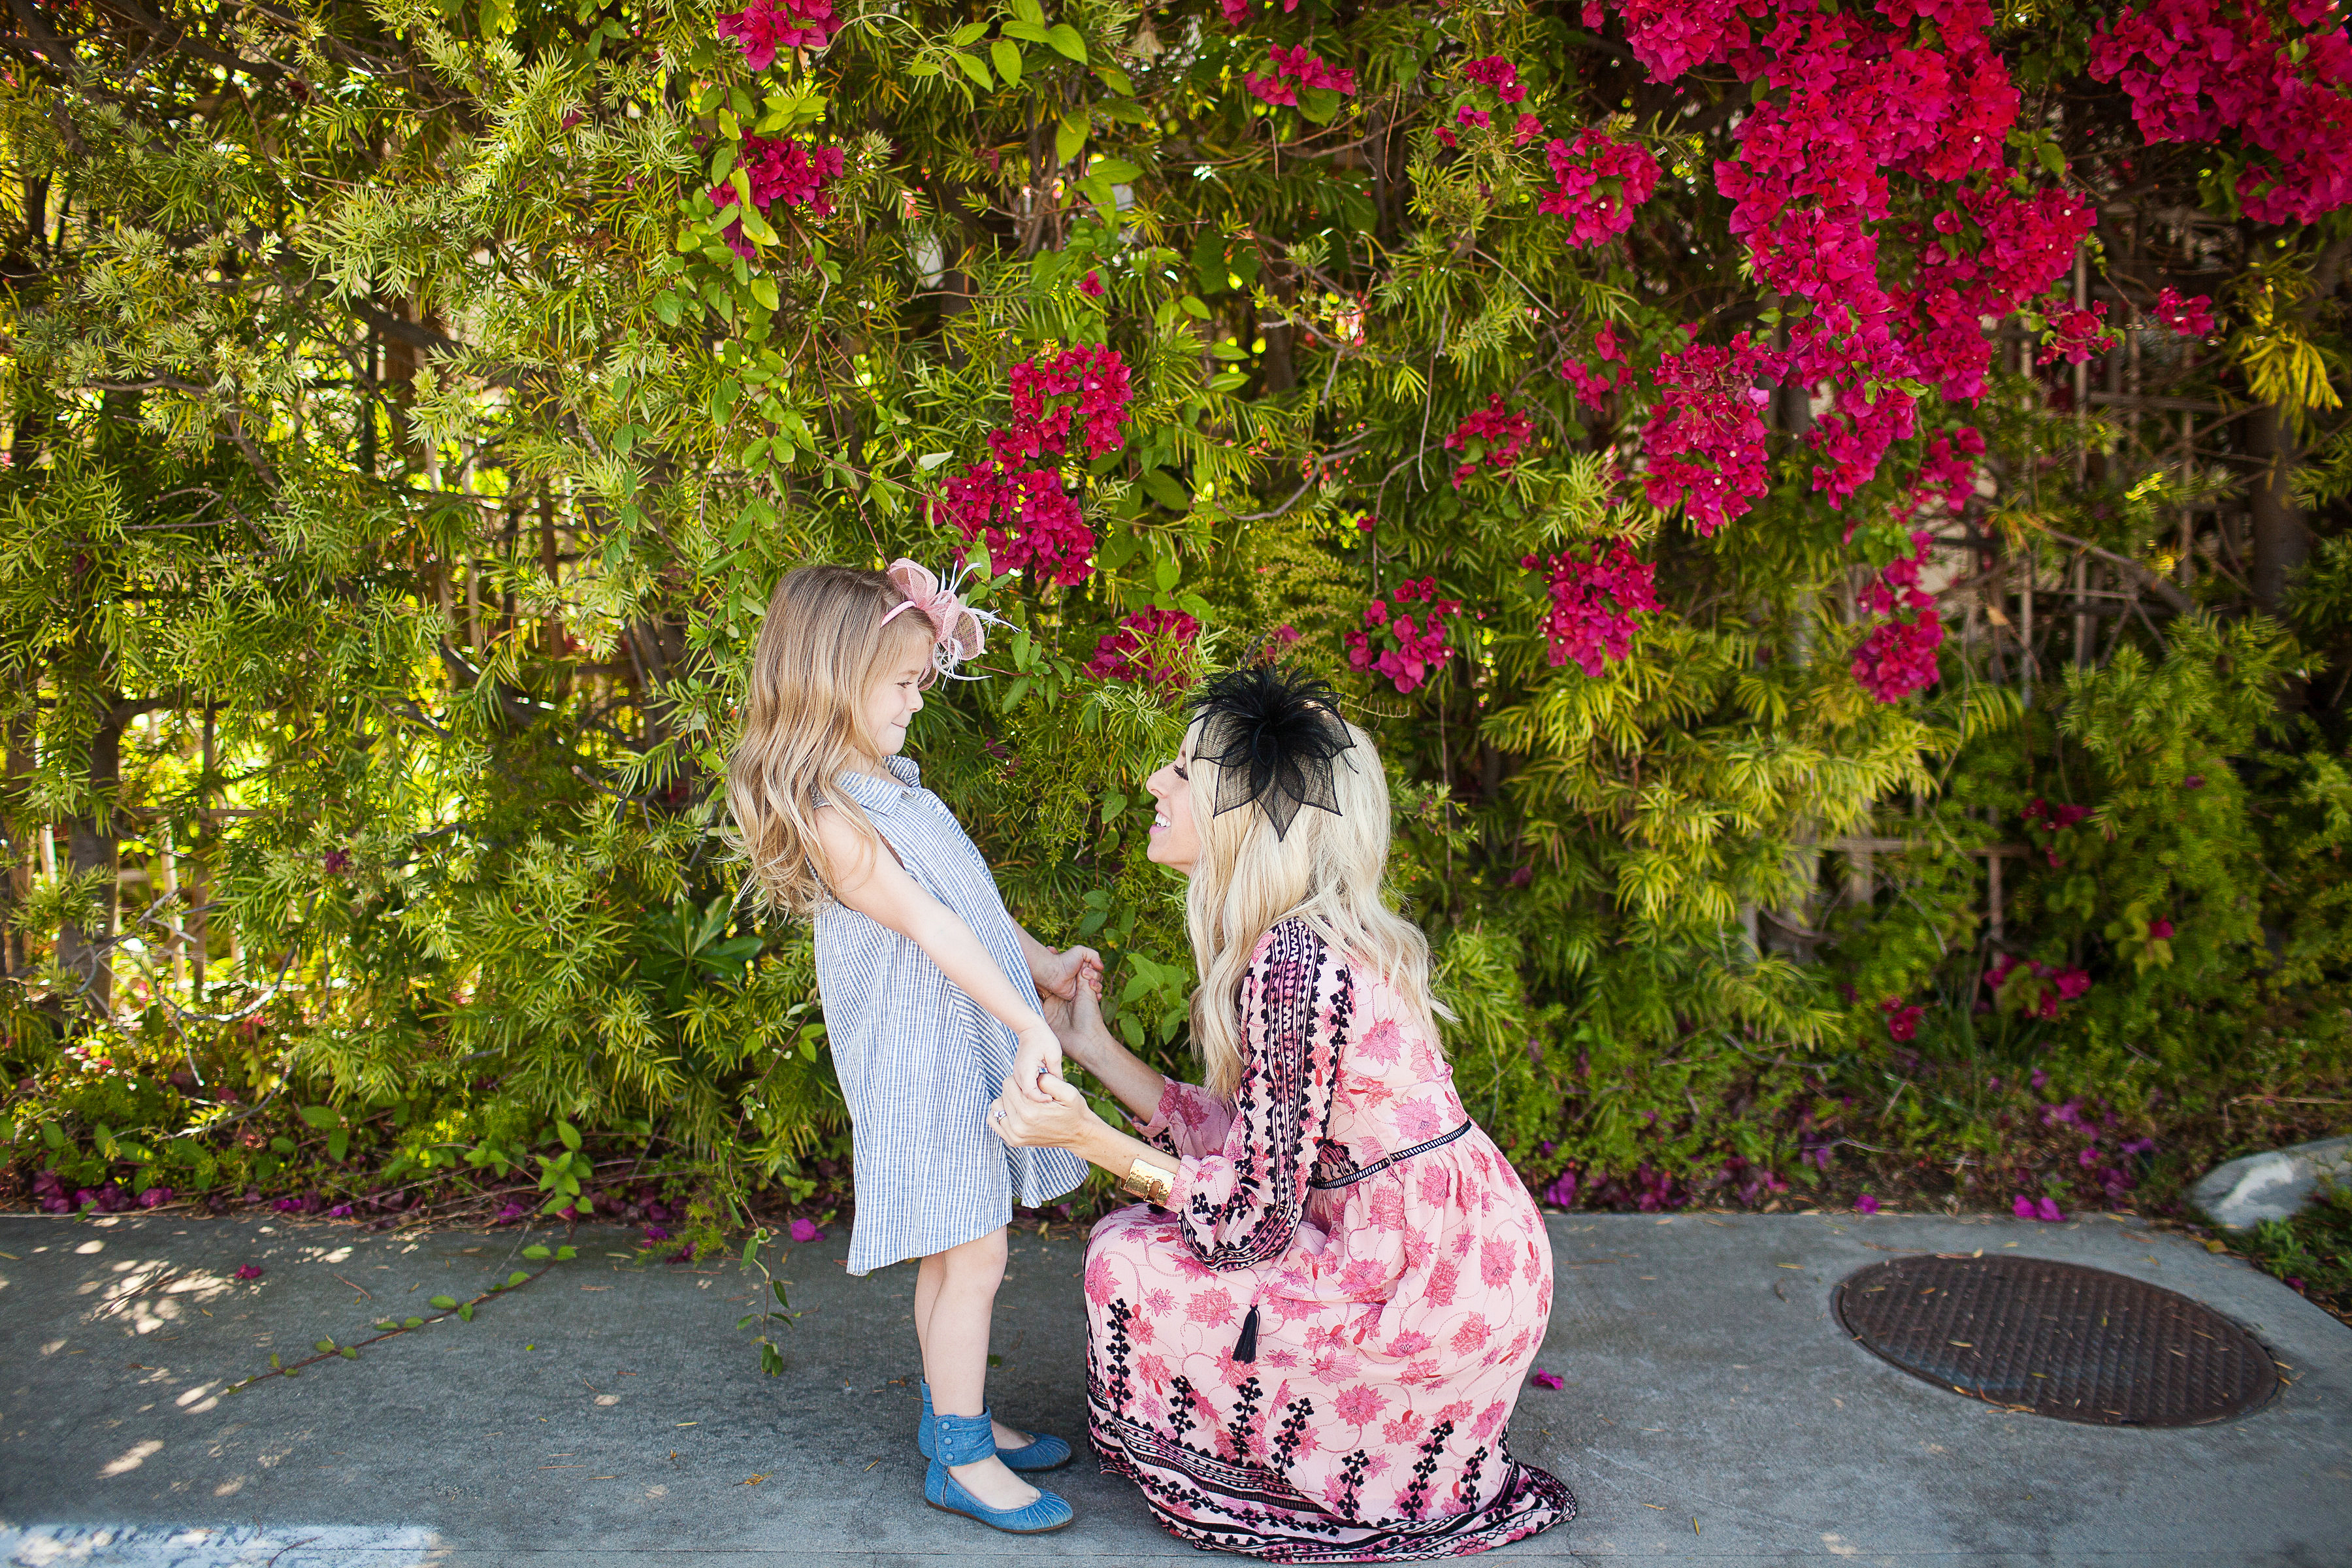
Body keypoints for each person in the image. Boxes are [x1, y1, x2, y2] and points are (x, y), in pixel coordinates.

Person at [990, 664, 1574, 1560]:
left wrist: (1087, 1138)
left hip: (1421, 1289)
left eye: (1184, 773)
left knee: (1128, 1263)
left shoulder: (1296, 962)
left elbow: (1248, 1223)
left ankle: (1313, 1474)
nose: (1155, 782)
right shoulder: (1302, 941)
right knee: (1143, 1241)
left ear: (1241, 814)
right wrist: (1094, 1048)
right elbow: (1257, 1152)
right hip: (1449, 1261)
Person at [725, 559, 1096, 1535]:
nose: (914, 704)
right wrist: (1025, 1024)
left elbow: (966, 899)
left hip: (951, 1035)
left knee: (962, 1245)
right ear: (833, 680)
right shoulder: (834, 818)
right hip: (913, 1056)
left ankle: (953, 1423)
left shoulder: (889, 785)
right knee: (972, 1248)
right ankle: (961, 1458)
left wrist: (1045, 967)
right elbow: (927, 928)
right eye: (901, 685)